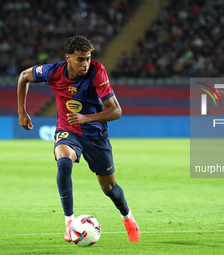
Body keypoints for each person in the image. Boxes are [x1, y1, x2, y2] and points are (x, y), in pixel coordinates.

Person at [17, 35, 140, 242]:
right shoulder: (53, 72)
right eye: (80, 59)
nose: (85, 64)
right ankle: (69, 223)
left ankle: (127, 217)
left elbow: (116, 111)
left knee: (109, 188)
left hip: (95, 135)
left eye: (88, 58)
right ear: (68, 58)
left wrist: (86, 118)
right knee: (64, 162)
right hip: (68, 131)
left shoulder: (97, 72)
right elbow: (23, 76)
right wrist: (22, 112)